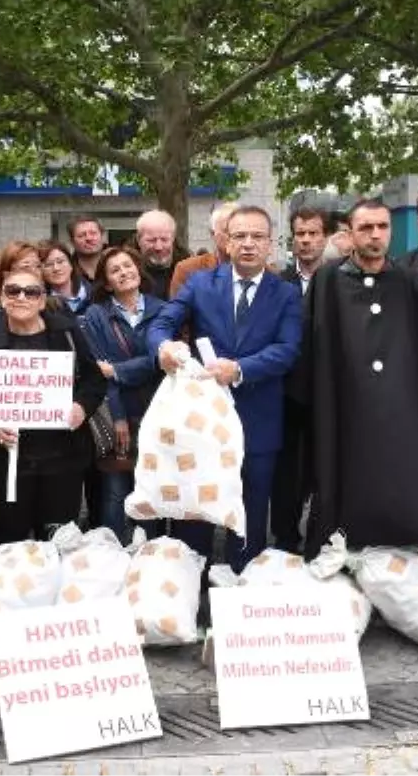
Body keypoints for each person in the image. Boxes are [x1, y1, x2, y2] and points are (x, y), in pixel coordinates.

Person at [300, 200, 418, 558]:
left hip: (400, 409)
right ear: (349, 233)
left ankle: (404, 566)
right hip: (345, 408)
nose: (375, 235)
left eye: (382, 227)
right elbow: (312, 342)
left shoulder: (409, 282)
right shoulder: (327, 280)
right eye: (366, 228)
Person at [149, 205, 303, 571]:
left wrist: (239, 369)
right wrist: (163, 347)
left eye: (257, 237)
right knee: (198, 511)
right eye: (240, 236)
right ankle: (190, 587)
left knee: (250, 511)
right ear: (225, 242)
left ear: (270, 244)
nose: (248, 244)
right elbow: (162, 322)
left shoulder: (286, 294)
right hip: (204, 423)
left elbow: (287, 350)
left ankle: (243, 586)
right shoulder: (200, 284)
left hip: (258, 419)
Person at [0, 268, 106, 562]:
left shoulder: (65, 332)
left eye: (31, 292)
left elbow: (94, 380)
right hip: (6, 464)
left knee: (57, 542)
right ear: (2, 298)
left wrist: (81, 406)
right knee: (9, 544)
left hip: (61, 461)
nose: (21, 297)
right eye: (13, 291)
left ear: (43, 300)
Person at [81, 247, 166, 538]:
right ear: (106, 283)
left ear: (138, 270)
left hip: (158, 413)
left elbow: (160, 363)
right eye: (115, 270)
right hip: (118, 412)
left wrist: (118, 369)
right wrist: (117, 417)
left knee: (153, 490)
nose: (124, 273)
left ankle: (152, 554)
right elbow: (98, 371)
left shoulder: (162, 310)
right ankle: (112, 556)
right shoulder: (95, 315)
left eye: (128, 266)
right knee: (115, 492)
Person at [271, 207, 330, 553]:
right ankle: (285, 540)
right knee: (287, 477)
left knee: (326, 472)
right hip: (287, 396)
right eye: (300, 234)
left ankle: (321, 543)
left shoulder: (340, 278)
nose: (306, 240)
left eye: (313, 233)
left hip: (329, 395)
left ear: (324, 237)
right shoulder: (278, 283)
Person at [169, 202, 239, 298]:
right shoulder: (188, 269)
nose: (234, 236)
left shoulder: (263, 271)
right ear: (212, 233)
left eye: (240, 232)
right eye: (227, 230)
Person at [40, 240, 90, 315]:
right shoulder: (40, 304)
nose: (56, 268)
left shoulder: (94, 295)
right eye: (48, 264)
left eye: (60, 261)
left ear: (71, 264)